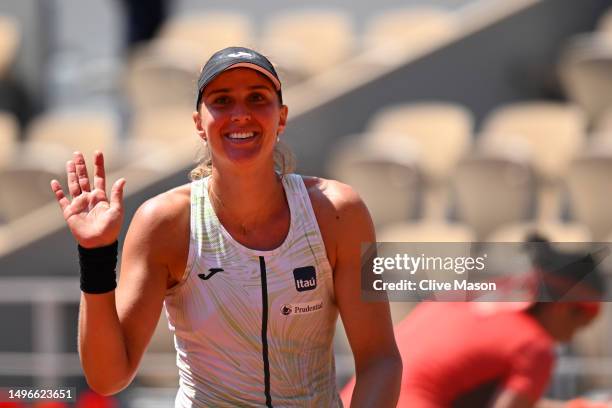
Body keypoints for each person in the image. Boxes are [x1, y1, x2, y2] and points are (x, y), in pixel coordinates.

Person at [50, 46, 402, 407]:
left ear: (281, 118)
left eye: (257, 98)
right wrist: (95, 255)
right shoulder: (164, 223)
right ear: (199, 124)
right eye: (221, 100)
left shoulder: (340, 213)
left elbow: (380, 359)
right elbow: (108, 378)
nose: (240, 115)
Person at [341, 238, 609, 408]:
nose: (577, 333)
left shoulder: (457, 302)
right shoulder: (534, 346)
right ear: (562, 307)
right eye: (584, 316)